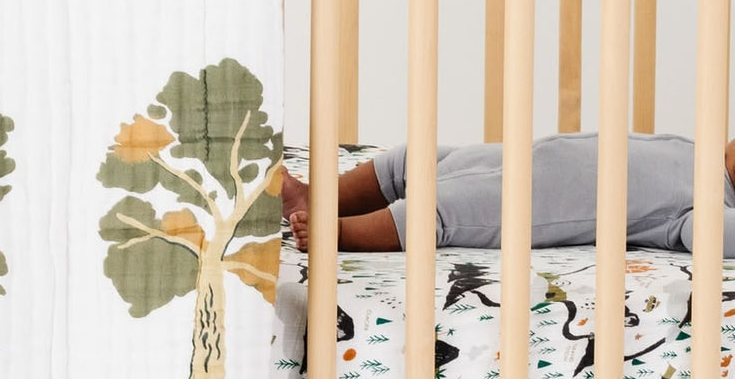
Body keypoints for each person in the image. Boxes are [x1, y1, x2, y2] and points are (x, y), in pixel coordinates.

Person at [282, 134, 735, 255]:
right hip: (525, 154)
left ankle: (340, 234)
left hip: (544, 198)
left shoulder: (713, 207)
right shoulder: (699, 152)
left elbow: (709, 238)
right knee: (415, 160)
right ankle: (315, 196)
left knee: (446, 209)